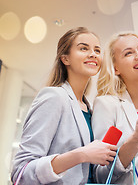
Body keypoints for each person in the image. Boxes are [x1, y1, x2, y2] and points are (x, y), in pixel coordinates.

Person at [11, 27, 117, 184]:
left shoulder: (90, 110)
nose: (93, 54)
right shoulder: (54, 97)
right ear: (65, 59)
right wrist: (81, 155)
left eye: (97, 50)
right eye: (83, 48)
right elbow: (22, 171)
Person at [92, 32, 138, 184]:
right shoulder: (107, 105)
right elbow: (101, 174)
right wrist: (135, 140)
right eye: (128, 53)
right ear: (116, 68)